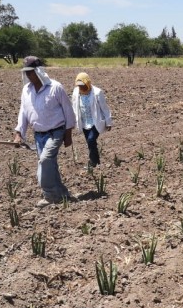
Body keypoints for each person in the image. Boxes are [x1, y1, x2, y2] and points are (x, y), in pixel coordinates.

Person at [13, 56, 77, 206]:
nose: (28, 75)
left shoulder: (55, 87)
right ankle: (62, 194)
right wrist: (18, 134)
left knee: (45, 161)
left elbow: (68, 112)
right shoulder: (26, 90)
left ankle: (49, 196)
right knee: (50, 165)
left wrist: (68, 135)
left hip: (56, 132)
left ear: (39, 71)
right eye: (26, 72)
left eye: (31, 72)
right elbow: (23, 112)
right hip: (39, 135)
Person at [71, 72, 112, 169]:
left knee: (91, 140)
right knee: (90, 143)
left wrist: (108, 122)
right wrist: (72, 121)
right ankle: (96, 162)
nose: (81, 88)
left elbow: (104, 108)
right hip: (84, 122)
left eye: (83, 85)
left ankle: (93, 163)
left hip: (95, 122)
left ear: (87, 83)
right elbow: (74, 107)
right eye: (79, 86)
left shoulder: (97, 92)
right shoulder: (76, 92)